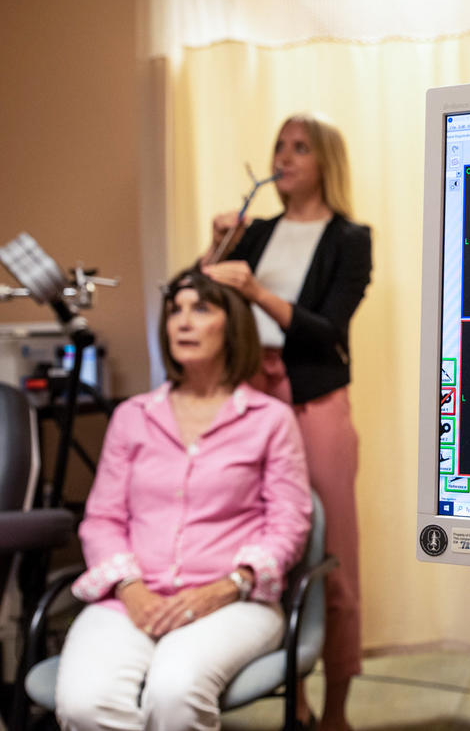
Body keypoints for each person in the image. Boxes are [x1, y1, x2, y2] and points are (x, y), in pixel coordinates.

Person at [55, 270, 313, 731]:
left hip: (233, 601)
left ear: (231, 326)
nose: (183, 323)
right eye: (175, 311)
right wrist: (131, 590)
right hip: (132, 597)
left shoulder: (269, 419)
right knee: (83, 704)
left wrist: (228, 586)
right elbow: (102, 519)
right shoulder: (133, 417)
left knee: (174, 693)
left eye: (201, 309)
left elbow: (289, 523)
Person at [201, 112, 372, 731]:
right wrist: (215, 244)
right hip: (252, 400)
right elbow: (194, 307)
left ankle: (337, 713)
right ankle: (291, 697)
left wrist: (258, 292)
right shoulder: (253, 235)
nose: (285, 156)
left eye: (300, 147)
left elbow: (329, 331)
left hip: (316, 402)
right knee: (269, 548)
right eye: (279, 144)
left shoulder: (350, 239)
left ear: (326, 160)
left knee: (336, 559)